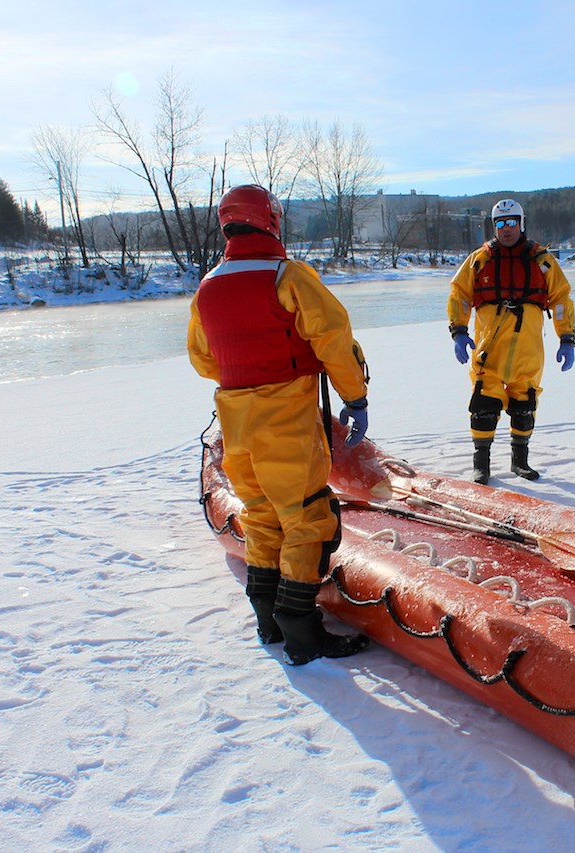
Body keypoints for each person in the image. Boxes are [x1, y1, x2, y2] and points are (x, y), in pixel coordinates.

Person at [187, 184, 371, 666]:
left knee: (262, 515)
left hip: (235, 417)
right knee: (306, 517)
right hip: (286, 414)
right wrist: (354, 396)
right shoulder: (288, 276)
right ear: (270, 219)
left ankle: (267, 620)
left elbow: (203, 359)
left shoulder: (208, 286)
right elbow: (333, 338)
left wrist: (246, 365)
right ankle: (301, 631)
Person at [447, 199, 575, 484]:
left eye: (512, 222)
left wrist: (566, 338)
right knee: (483, 404)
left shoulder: (542, 260)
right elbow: (460, 295)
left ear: (521, 224)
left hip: (527, 349)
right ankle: (481, 464)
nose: (506, 229)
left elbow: (560, 300)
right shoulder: (479, 260)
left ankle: (520, 462)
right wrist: (459, 331)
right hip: (489, 349)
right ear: (494, 227)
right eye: (500, 223)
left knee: (524, 404)